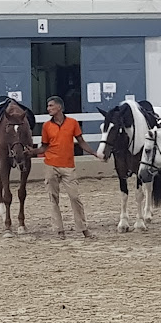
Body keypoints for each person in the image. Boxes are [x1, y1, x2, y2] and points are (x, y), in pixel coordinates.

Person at [29, 96, 104, 240]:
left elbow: (80, 141)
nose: (48, 108)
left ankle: (83, 228)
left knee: (75, 197)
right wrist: (32, 152)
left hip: (68, 166)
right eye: (48, 106)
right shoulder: (46, 126)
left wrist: (93, 152)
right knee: (53, 198)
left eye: (51, 106)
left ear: (59, 107)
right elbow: (44, 146)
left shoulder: (72, 123)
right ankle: (59, 230)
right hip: (51, 165)